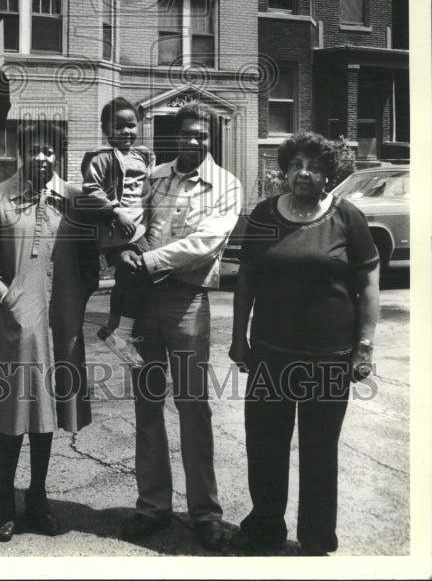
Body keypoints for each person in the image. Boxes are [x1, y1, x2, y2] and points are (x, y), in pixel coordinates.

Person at [228, 132, 380, 556]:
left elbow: (369, 282)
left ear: (328, 174)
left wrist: (363, 347)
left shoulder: (348, 218)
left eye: (313, 166)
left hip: (329, 356)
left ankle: (315, 538)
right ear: (285, 171)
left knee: (319, 451)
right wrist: (239, 338)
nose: (303, 173)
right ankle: (264, 529)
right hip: (271, 354)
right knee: (264, 445)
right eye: (295, 165)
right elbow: (245, 282)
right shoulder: (263, 215)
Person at [0, 119, 99, 543]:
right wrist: (7, 298)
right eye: (34, 150)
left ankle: (37, 497)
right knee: (14, 410)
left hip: (59, 320)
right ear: (20, 153)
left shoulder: (75, 199)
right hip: (16, 322)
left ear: (58, 155)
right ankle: (5, 497)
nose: (42, 157)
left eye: (50, 151)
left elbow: (100, 248)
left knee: (48, 412)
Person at [118, 102, 242, 551]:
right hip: (145, 303)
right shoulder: (154, 178)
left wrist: (146, 260)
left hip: (188, 302)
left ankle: (205, 513)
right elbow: (130, 224)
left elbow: (207, 242)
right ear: (175, 136)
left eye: (202, 135)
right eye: (186, 134)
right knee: (147, 406)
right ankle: (153, 508)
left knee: (194, 408)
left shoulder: (226, 185)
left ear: (212, 138)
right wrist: (122, 250)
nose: (194, 141)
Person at [80, 97, 155, 366]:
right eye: (119, 126)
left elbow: (146, 188)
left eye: (131, 126)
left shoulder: (141, 155)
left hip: (138, 226)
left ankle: (113, 325)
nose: (126, 132)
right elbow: (91, 190)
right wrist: (115, 211)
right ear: (105, 129)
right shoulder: (101, 158)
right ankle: (121, 333)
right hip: (117, 229)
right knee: (146, 273)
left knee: (129, 278)